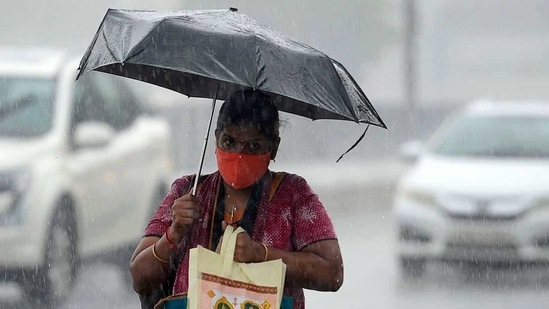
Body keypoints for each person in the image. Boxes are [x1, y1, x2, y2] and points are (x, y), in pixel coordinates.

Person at [130, 89, 344, 309]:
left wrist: (261, 254)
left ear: (274, 148)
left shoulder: (293, 194)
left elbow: (332, 273)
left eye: (254, 146)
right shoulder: (188, 190)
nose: (240, 155)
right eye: (229, 142)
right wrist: (173, 234)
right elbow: (140, 277)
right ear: (215, 139)